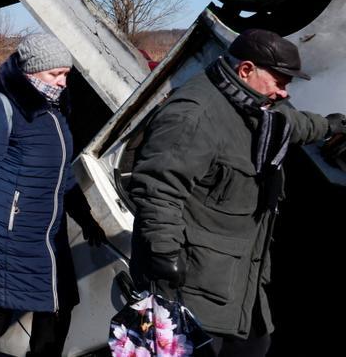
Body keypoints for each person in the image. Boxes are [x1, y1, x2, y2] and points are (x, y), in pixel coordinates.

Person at [129, 28, 346, 356]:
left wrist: (330, 125)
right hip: (188, 281)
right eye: (280, 82)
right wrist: (164, 255)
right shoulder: (194, 115)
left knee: (257, 344)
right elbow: (157, 188)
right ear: (246, 70)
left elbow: (291, 125)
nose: (284, 93)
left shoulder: (254, 106)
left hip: (235, 276)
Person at [0, 34, 105, 357]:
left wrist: (85, 218)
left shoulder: (53, 111)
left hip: (48, 237)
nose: (63, 82)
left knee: (58, 308)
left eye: (66, 75)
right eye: (55, 74)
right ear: (31, 71)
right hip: (7, 236)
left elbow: (63, 174)